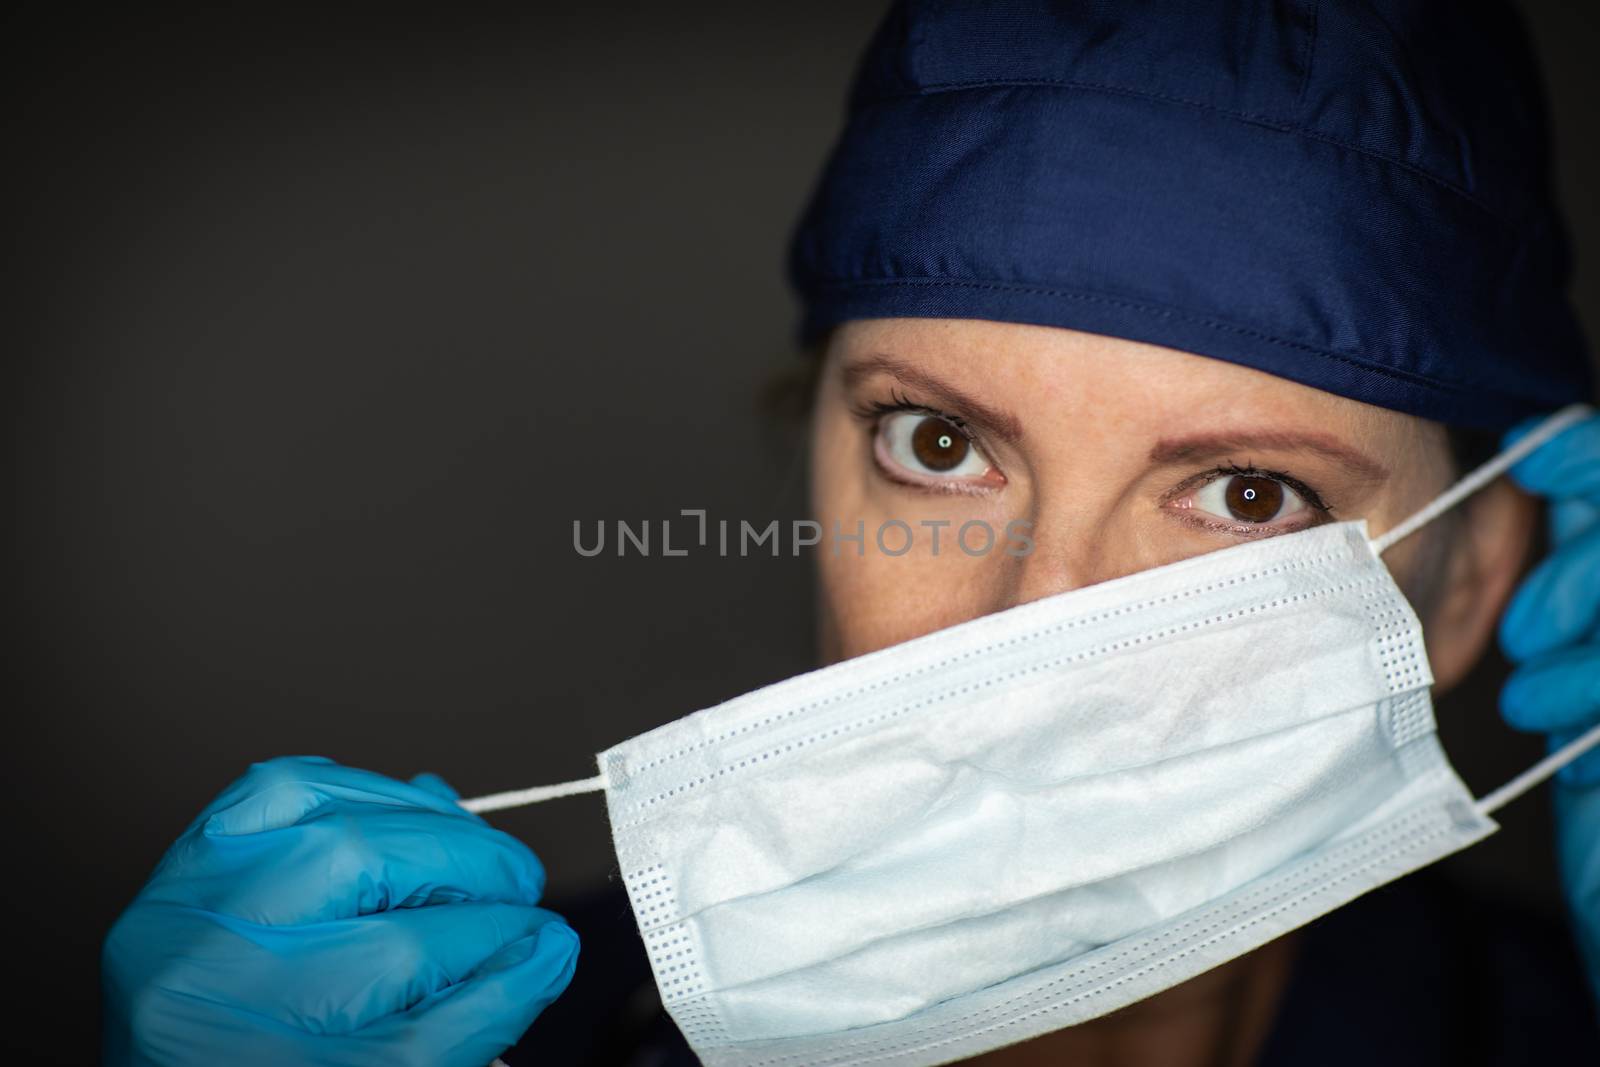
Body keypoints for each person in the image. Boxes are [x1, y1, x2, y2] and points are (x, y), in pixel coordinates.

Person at [102, 3, 1600, 1065]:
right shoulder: (480, 1035)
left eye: (1251, 497)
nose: (1031, 629)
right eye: (940, 446)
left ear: (1466, 581)